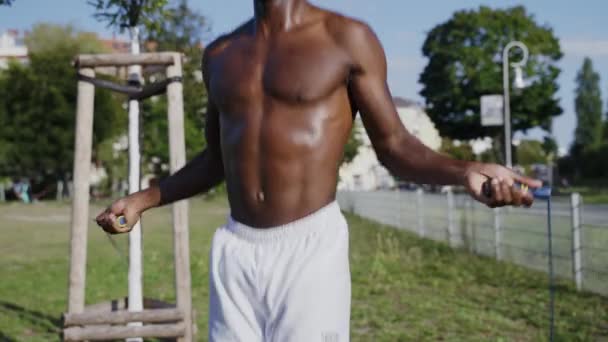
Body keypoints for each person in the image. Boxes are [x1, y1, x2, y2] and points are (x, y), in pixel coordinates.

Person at [96, 1, 542, 340]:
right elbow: (215, 160)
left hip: (310, 248)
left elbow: (394, 146)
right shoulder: (220, 54)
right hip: (234, 249)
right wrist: (143, 199)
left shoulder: (346, 39)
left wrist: (464, 171)